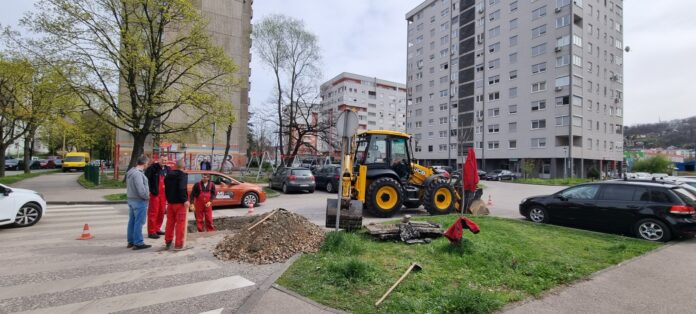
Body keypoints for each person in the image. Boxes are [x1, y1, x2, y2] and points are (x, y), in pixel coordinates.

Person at [126, 155, 151, 250]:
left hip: (131, 199)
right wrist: (147, 197)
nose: (147, 165)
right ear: (144, 163)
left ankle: (131, 241)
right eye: (147, 163)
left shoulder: (131, 172)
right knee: (139, 222)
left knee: (132, 221)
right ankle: (138, 242)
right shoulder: (138, 174)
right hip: (139, 200)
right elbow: (141, 190)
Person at [164, 159, 190, 250]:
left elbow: (166, 189)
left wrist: (168, 199)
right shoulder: (182, 175)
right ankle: (179, 244)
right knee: (180, 224)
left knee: (170, 223)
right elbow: (182, 188)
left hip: (170, 203)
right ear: (183, 167)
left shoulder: (168, 175)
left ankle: (168, 241)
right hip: (180, 204)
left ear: (175, 166)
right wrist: (185, 200)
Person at [144, 155, 171, 239]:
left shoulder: (168, 169)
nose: (164, 162)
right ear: (159, 160)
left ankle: (157, 229)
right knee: (153, 213)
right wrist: (149, 190)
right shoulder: (152, 169)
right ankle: (151, 232)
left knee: (161, 212)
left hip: (164, 194)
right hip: (155, 194)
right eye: (162, 160)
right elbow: (145, 180)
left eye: (165, 160)